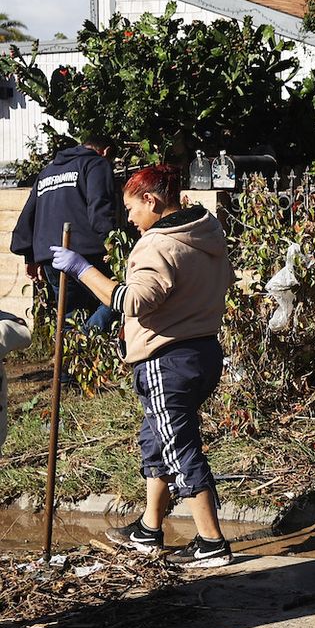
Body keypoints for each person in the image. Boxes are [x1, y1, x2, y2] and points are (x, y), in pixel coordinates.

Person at [50, 165, 237, 567]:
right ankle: (150, 529)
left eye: (132, 208)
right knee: (157, 440)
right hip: (202, 352)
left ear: (152, 201)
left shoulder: (157, 244)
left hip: (167, 360)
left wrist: (83, 270)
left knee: (179, 450)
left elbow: (135, 301)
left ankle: (211, 542)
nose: (130, 218)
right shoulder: (206, 233)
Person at [10, 135, 119, 336]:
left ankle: (70, 360)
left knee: (69, 316)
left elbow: (28, 215)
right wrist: (113, 244)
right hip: (87, 253)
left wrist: (30, 256)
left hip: (51, 257)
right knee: (118, 297)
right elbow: (100, 208)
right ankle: (85, 340)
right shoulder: (96, 163)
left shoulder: (48, 171)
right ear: (105, 152)